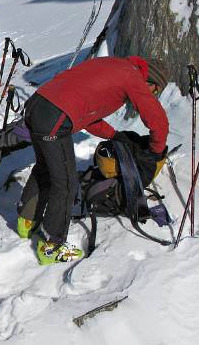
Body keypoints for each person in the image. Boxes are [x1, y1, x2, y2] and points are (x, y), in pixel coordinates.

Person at [17, 55, 170, 265]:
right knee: (67, 183)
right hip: (55, 117)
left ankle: (26, 222)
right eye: (156, 90)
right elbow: (157, 120)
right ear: (150, 81)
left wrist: (114, 135)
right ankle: (51, 246)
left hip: (37, 105)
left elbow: (87, 113)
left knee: (46, 168)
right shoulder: (132, 77)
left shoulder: (114, 65)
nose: (154, 94)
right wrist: (156, 151)